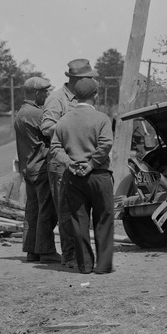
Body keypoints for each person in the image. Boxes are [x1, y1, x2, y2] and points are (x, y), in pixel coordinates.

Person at [50, 77, 115, 274]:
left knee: (79, 222)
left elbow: (55, 148)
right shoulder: (102, 119)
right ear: (95, 95)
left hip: (74, 177)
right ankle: (103, 266)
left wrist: (70, 164)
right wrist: (92, 164)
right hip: (99, 175)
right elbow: (105, 144)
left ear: (75, 96)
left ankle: (85, 265)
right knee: (104, 219)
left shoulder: (64, 120)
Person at [41, 58, 98, 268]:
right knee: (65, 211)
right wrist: (71, 127)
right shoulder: (57, 99)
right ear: (78, 78)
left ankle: (82, 254)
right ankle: (70, 255)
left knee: (82, 210)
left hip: (83, 159)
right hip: (62, 161)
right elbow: (46, 127)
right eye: (88, 77)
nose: (91, 80)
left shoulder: (85, 99)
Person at [14, 76, 62, 264]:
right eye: (45, 91)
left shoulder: (22, 112)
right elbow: (54, 130)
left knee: (33, 210)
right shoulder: (36, 114)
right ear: (36, 93)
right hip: (41, 166)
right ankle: (46, 251)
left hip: (29, 167)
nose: (47, 94)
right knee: (47, 210)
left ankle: (32, 250)